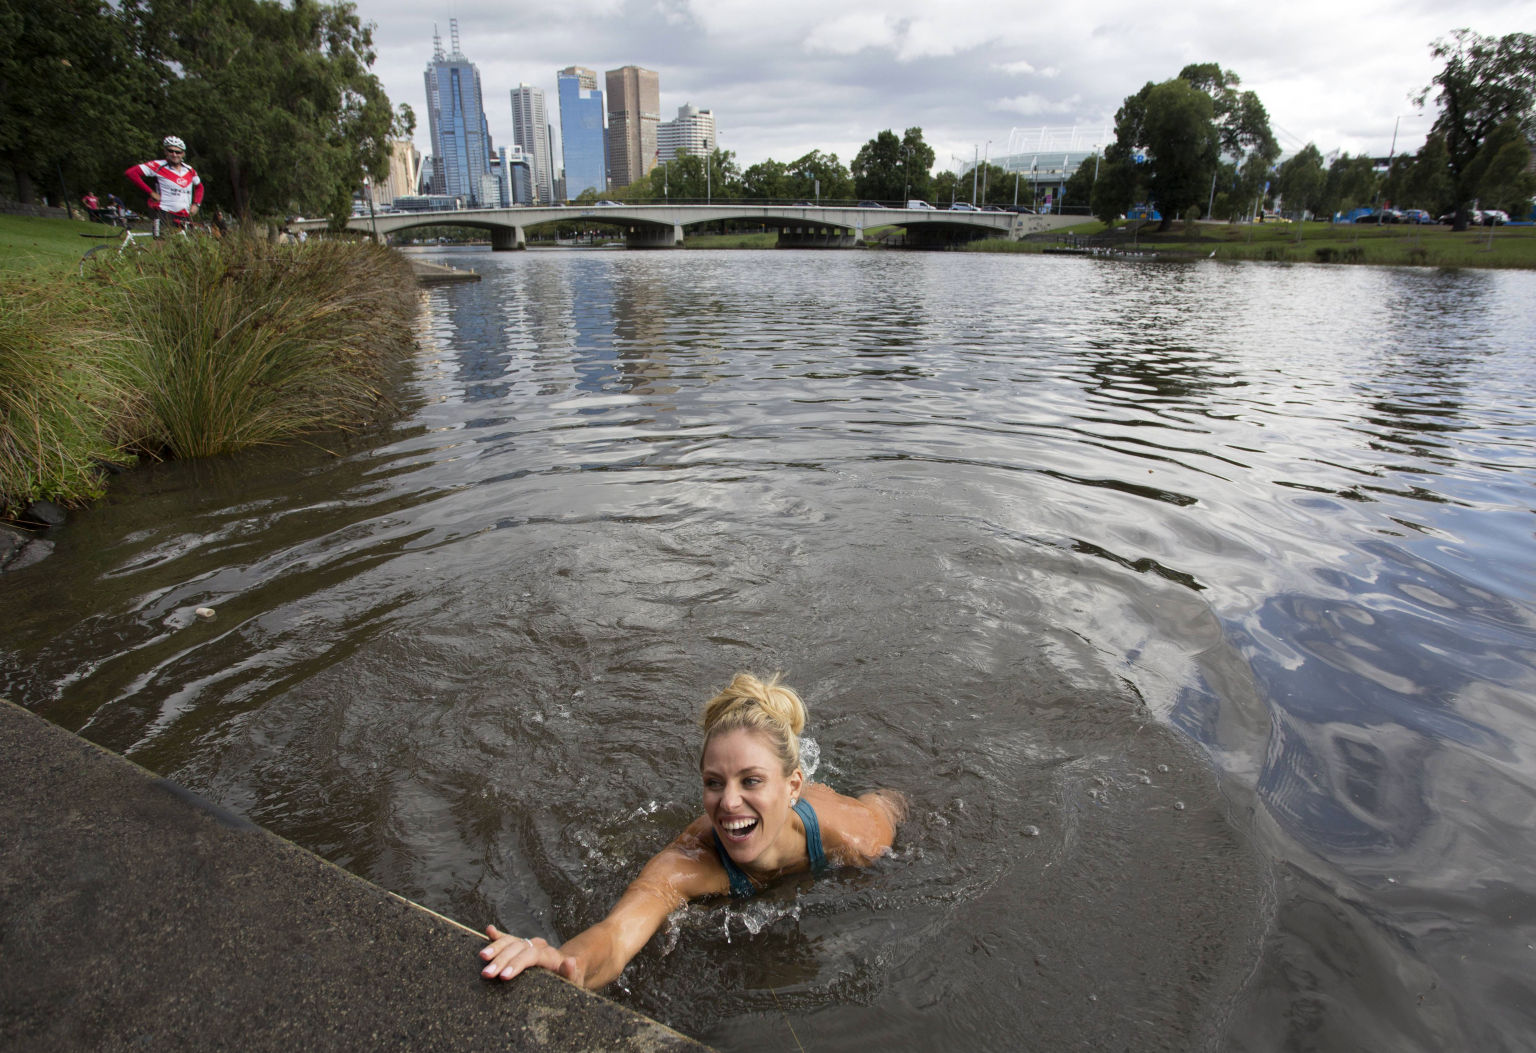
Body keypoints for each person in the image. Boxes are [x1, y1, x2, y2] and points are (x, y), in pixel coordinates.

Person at [479, 672, 906, 990]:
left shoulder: (854, 835)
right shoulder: (686, 863)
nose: (729, 803)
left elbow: (895, 804)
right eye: (714, 783)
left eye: (751, 780)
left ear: (792, 785)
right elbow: (617, 935)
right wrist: (562, 960)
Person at [124, 135, 203, 235]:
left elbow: (199, 186)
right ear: (165, 151)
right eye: (170, 151)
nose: (174, 154)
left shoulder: (189, 170)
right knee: (163, 245)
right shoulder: (158, 165)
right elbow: (131, 173)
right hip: (164, 212)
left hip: (184, 214)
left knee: (188, 247)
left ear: (183, 153)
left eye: (178, 152)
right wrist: (151, 193)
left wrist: (196, 204)